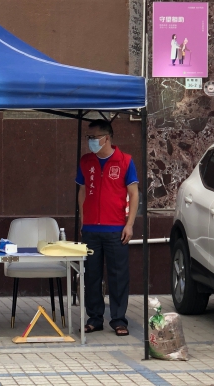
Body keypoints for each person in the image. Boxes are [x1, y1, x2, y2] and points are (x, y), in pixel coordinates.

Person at [76, 120, 139, 337]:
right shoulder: (86, 161)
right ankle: (94, 318)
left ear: (107, 138)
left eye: (94, 138)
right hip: (91, 229)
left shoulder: (125, 161)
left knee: (118, 276)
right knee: (91, 275)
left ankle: (119, 319)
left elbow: (134, 194)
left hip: (116, 228)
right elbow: (82, 191)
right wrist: (83, 221)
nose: (90, 142)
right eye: (88, 138)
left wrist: (129, 224)